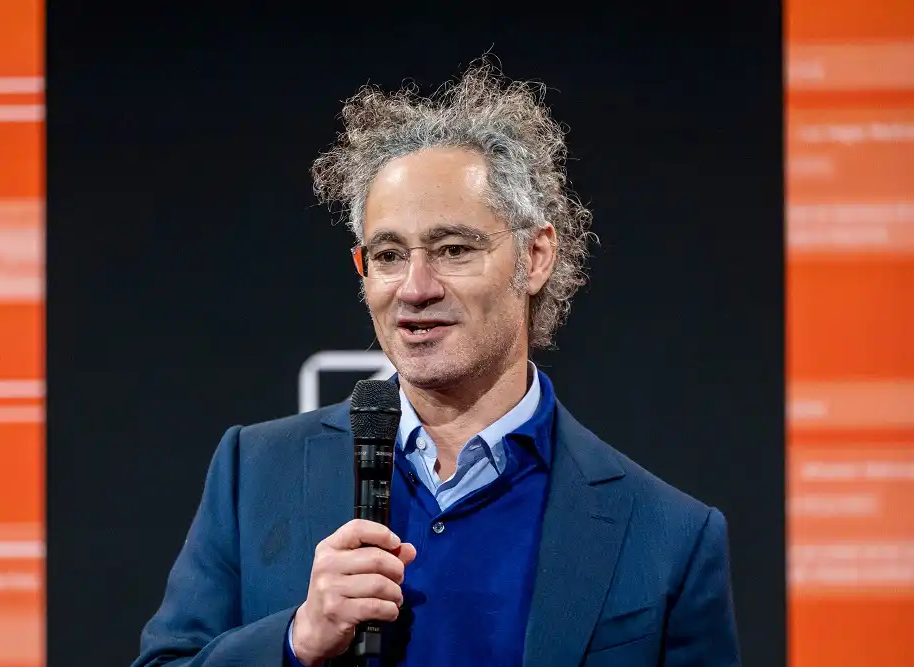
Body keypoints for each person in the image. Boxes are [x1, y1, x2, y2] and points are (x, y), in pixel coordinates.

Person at [131, 58, 740, 667]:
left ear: (535, 257)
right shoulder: (255, 473)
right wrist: (295, 641)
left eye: (453, 249)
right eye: (388, 255)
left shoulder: (667, 535)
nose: (416, 288)